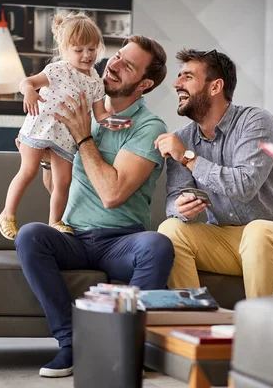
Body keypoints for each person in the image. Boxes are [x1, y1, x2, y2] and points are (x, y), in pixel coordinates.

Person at [15, 35, 174, 378]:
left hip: (120, 241)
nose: (112, 65)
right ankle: (70, 343)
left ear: (144, 84)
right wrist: (45, 160)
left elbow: (112, 194)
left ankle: (126, 347)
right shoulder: (83, 105)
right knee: (30, 235)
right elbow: (58, 186)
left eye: (127, 65)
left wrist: (83, 137)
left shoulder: (148, 127)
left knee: (157, 244)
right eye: (117, 56)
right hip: (72, 235)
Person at [156, 49, 273, 298]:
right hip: (225, 240)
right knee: (170, 230)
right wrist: (179, 208)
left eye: (187, 77)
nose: (176, 83)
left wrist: (188, 157)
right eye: (179, 76)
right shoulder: (182, 139)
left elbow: (244, 186)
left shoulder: (257, 121)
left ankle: (256, 331)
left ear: (215, 87)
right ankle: (196, 323)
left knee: (258, 232)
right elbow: (173, 199)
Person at [0, 12, 122, 240]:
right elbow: (27, 82)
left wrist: (113, 122)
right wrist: (29, 92)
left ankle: (55, 221)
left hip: (65, 138)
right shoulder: (58, 70)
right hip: (40, 128)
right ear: (64, 50)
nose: (87, 55)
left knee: (63, 181)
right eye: (79, 50)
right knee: (27, 171)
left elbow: (100, 113)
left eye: (92, 49)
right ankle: (7, 214)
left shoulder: (95, 79)